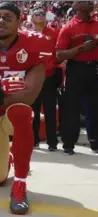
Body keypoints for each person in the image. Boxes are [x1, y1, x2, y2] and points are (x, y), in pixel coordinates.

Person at [0, 2, 53, 215]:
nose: (1, 21)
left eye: (7, 17)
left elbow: (30, 93)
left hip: (15, 110)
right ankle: (11, 157)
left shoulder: (35, 44)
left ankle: (20, 185)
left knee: (21, 111)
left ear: (20, 22)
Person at [56, 1, 98, 154]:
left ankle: (95, 142)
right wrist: (81, 48)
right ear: (78, 6)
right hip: (75, 69)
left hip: (94, 68)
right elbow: (59, 55)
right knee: (71, 108)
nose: (92, 3)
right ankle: (68, 143)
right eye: (87, 1)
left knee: (95, 107)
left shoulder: (97, 23)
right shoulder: (68, 27)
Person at [29, 7, 60, 150]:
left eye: (43, 13)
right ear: (32, 18)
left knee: (49, 110)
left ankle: (52, 142)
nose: (41, 16)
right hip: (32, 78)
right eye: (37, 14)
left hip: (49, 76)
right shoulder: (26, 35)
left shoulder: (54, 33)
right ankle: (33, 140)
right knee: (32, 111)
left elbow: (57, 53)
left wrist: (52, 66)